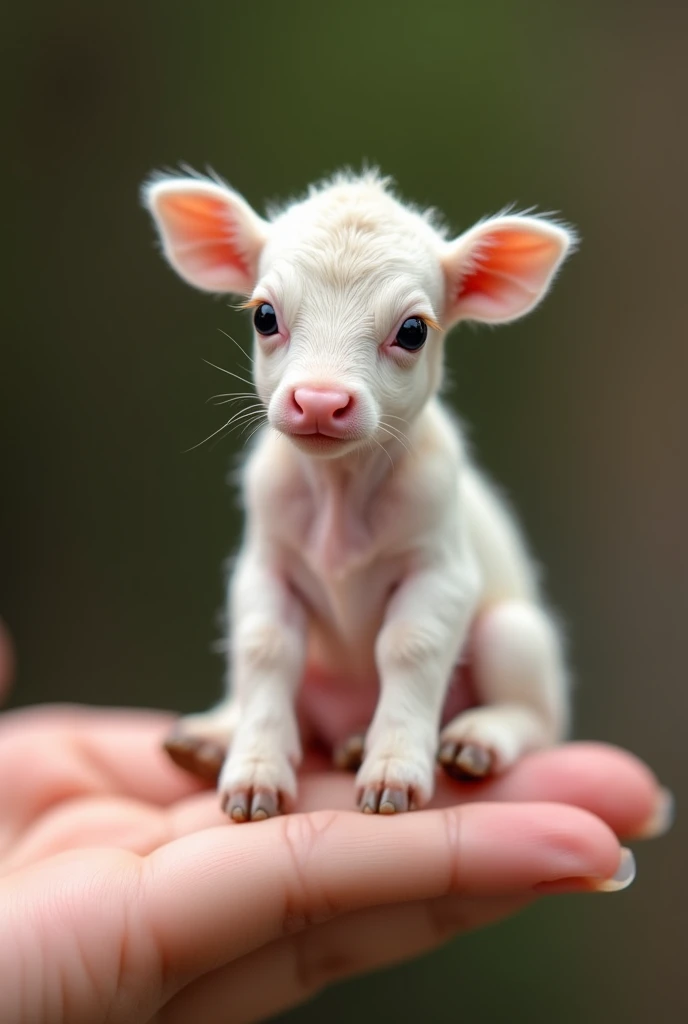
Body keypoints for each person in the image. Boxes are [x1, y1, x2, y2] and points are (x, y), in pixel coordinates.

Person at [0, 620, 671, 1023]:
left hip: (445, 685)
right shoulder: (277, 478)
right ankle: (256, 724)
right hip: (330, 687)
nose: (319, 393)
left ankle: (495, 723)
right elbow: (270, 612)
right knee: (277, 617)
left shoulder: (424, 477)